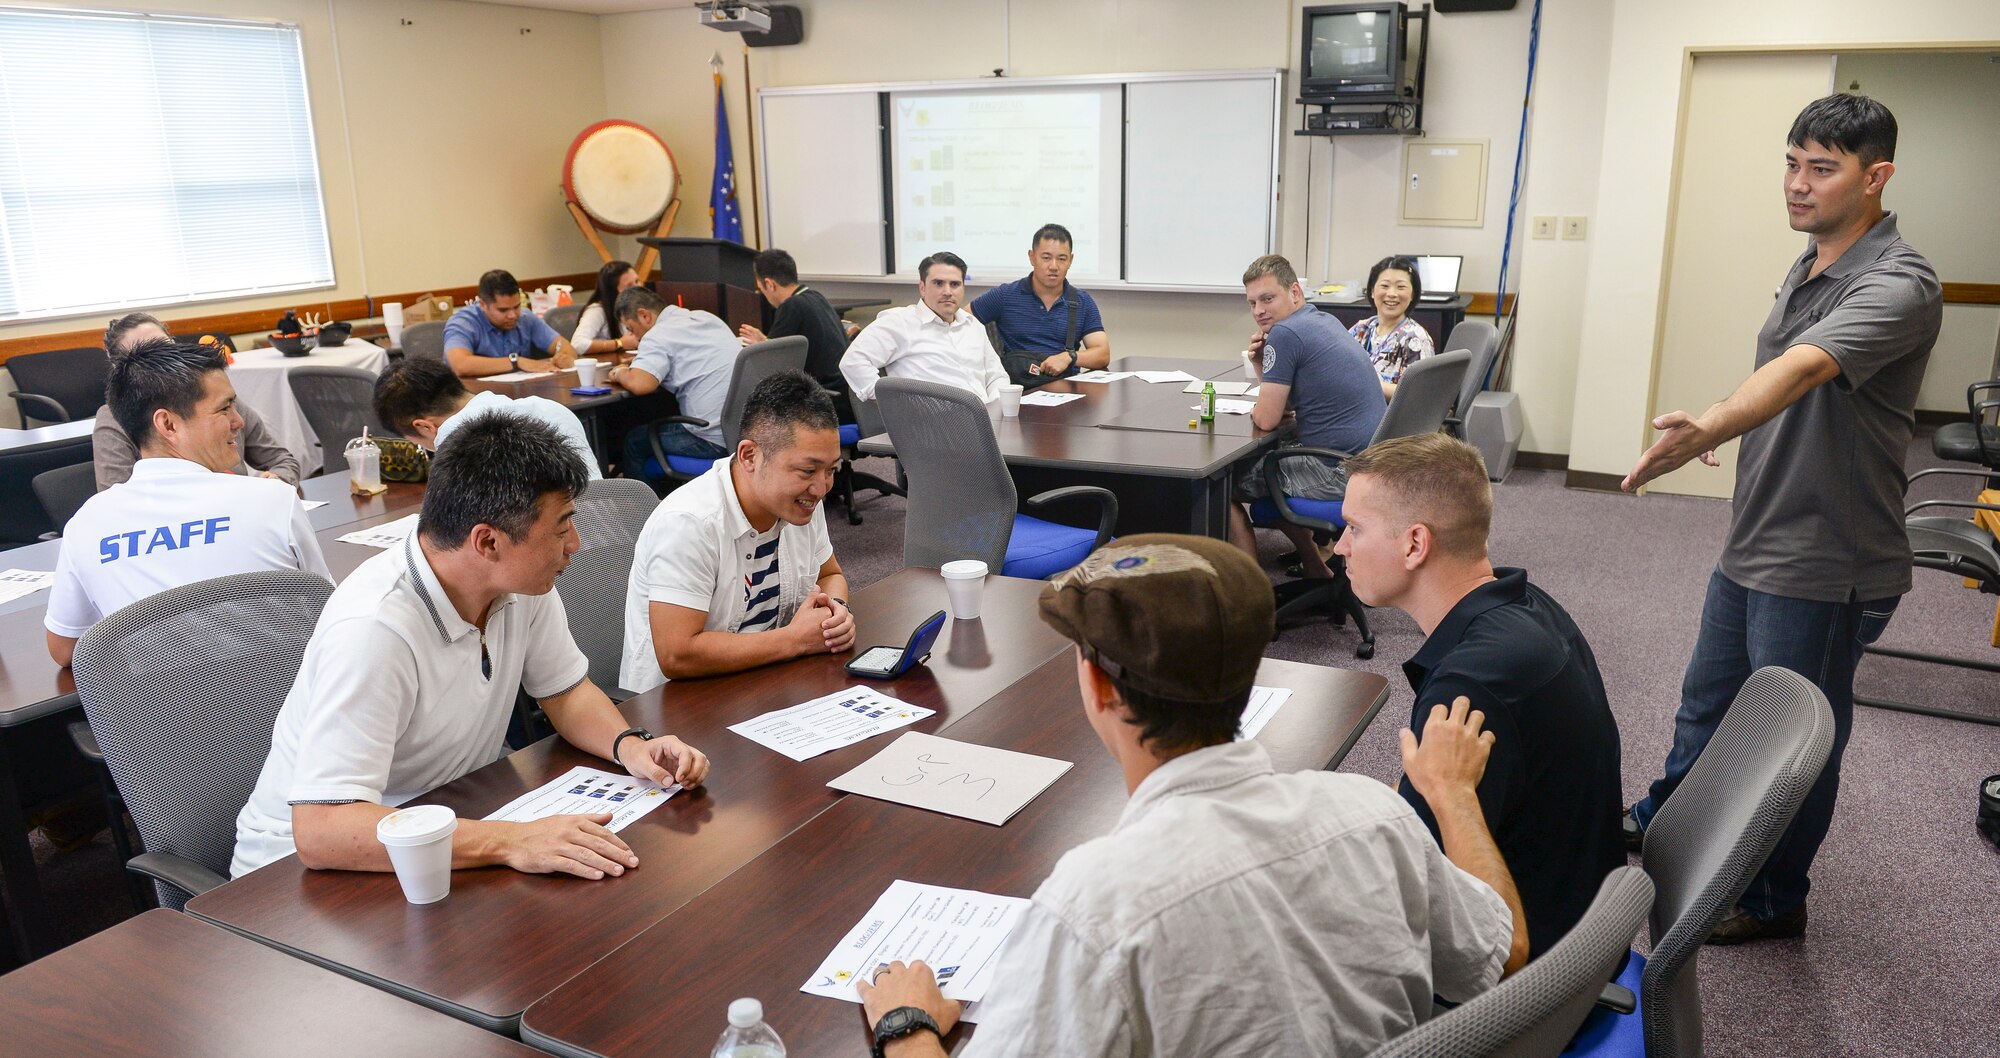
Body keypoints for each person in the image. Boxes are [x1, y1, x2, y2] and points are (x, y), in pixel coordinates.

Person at [857, 534, 1527, 1058]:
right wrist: (1453, 795)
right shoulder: (1373, 815)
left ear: (1097, 687)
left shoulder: (1093, 907)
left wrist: (906, 1025)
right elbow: (1506, 957)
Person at [1620, 94, 1940, 944]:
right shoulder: (1808, 264)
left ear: (1877, 178)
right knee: (1709, 704)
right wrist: (1733, 420)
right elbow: (1779, 381)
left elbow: (1801, 372)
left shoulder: (1900, 284)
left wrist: (1711, 427)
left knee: (1795, 741)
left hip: (1829, 558)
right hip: (1758, 534)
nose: (1798, 185)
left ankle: (1773, 898)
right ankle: (1660, 817)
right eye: (1792, 163)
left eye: (1822, 169)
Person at [230, 414, 711, 878]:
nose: (575, 545)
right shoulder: (375, 629)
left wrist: (629, 747)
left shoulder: (518, 584)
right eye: (562, 527)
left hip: (447, 823)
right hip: (306, 873)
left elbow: (565, 691)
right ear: (487, 542)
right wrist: (510, 841)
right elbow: (322, 831)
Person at [1333, 433, 1624, 958]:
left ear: (1415, 544)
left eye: (1354, 527)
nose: (1339, 546)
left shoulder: (1470, 687)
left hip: (1535, 971)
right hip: (1581, 918)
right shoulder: (1529, 606)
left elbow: (1487, 944)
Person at [45, 337, 330, 668]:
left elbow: (65, 649)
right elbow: (328, 610)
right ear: (168, 424)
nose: (239, 422)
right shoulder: (273, 500)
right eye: (225, 408)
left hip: (160, 717)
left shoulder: (87, 523)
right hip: (288, 709)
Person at [620, 371, 852, 690]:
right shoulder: (689, 522)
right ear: (749, 456)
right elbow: (677, 654)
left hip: (764, 683)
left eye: (832, 470)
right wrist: (793, 641)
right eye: (808, 470)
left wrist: (834, 612)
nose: (822, 486)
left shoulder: (804, 500)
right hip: (680, 709)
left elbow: (830, 576)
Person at [1230, 253, 1386, 579]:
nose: (1259, 311)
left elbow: (1268, 418)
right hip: (1368, 465)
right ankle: (1315, 565)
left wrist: (1264, 400)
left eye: (1268, 299)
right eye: (1252, 303)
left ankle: (1250, 590)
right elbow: (1283, 405)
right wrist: (1262, 364)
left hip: (1335, 470)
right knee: (1275, 467)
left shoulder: (1285, 334)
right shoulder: (1322, 320)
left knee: (1221, 486)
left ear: (1295, 293)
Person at [94, 312, 300, 489]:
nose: (161, 361)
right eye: (143, 357)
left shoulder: (220, 401)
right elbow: (117, 498)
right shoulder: (116, 420)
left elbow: (282, 460)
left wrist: (278, 481)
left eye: (166, 348)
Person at [372, 357, 601, 479]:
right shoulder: (550, 408)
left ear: (424, 427)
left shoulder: (460, 444)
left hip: (558, 562)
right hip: (614, 549)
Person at [839, 251, 1008, 404]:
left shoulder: (972, 325)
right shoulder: (900, 322)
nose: (947, 291)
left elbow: (996, 376)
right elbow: (853, 361)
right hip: (930, 427)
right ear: (922, 288)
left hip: (984, 421)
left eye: (955, 284)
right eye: (938, 283)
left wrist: (997, 408)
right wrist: (892, 403)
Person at [607, 286, 741, 476]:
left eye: (631, 329)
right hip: (741, 432)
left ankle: (643, 505)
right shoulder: (707, 318)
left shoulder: (657, 335)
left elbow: (640, 384)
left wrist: (619, 373)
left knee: (633, 441)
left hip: (708, 439)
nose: (635, 338)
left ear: (644, 315)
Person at [969, 223, 1110, 383]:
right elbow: (960, 322)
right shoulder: (1005, 295)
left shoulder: (1082, 302)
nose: (1054, 266)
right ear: (1032, 257)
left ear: (1071, 260)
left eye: (1062, 259)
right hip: (1016, 389)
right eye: (1046, 257)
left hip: (1064, 390)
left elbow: (1102, 354)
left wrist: (1069, 357)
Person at [737, 248, 855, 421]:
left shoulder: (791, 307)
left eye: (761, 288)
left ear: (769, 284)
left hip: (826, 403)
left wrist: (761, 347)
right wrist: (765, 341)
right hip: (847, 397)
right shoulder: (815, 297)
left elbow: (774, 364)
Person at [443, 269, 579, 378]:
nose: (513, 315)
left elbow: (566, 347)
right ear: (483, 305)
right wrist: (516, 362)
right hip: (475, 400)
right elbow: (460, 365)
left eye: (516, 307)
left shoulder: (525, 317)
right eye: (503, 310)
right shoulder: (463, 322)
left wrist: (565, 357)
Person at [1348, 254, 1437, 399]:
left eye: (1401, 287)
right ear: (1372, 291)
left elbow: (1418, 394)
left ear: (1413, 294)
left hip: (1390, 419)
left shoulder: (1416, 339)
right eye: (1384, 286)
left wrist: (1368, 384)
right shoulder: (1362, 329)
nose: (1392, 294)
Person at [570, 260, 643, 360]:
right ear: (613, 291)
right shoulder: (597, 310)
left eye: (637, 281)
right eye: (629, 286)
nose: (638, 288)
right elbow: (577, 344)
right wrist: (619, 343)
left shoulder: (639, 306)